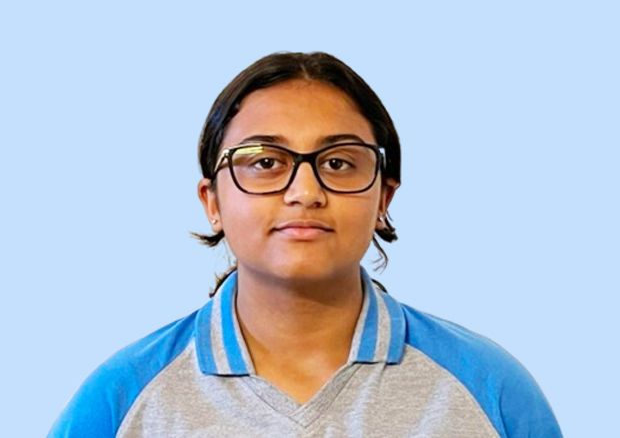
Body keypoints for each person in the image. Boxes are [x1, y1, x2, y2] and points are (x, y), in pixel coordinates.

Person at [48, 52, 562, 438]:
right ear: (212, 201)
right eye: (265, 162)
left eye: (338, 163)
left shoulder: (489, 387)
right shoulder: (121, 398)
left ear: (383, 197)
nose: (305, 192)